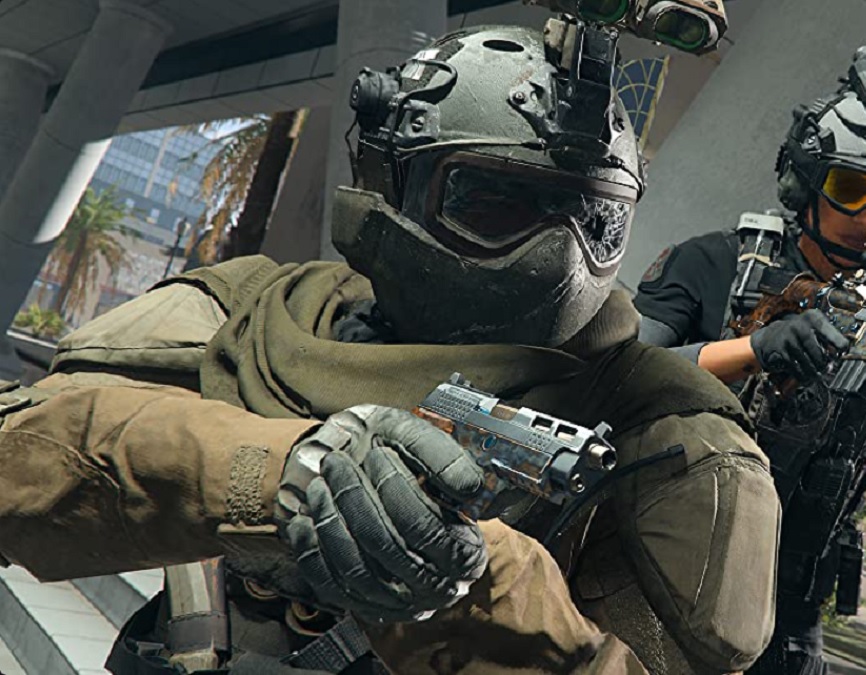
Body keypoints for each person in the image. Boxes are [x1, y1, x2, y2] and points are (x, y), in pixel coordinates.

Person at [0, 20, 778, 675]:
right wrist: (283, 474)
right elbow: (24, 451)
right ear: (393, 182)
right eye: (496, 202)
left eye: (594, 220)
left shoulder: (677, 437)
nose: (557, 255)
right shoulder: (257, 309)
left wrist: (512, 610)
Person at [634, 46, 866, 675]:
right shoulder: (714, 262)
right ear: (804, 182)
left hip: (788, 609)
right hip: (655, 568)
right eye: (853, 190)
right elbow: (622, 374)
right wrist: (753, 350)